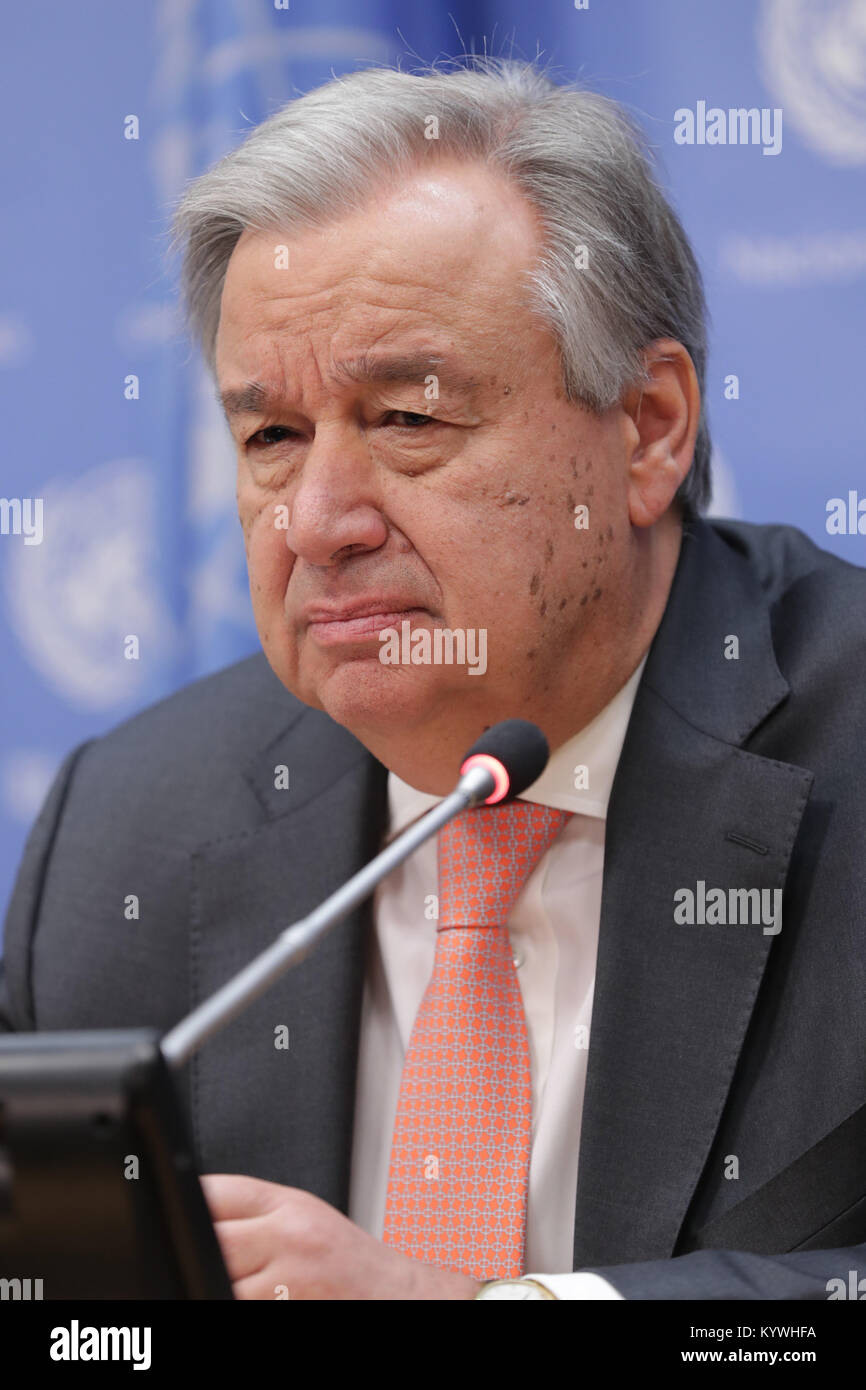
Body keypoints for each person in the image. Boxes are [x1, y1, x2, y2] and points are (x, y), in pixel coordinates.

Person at [2, 59, 865, 1300]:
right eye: (272, 437)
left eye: (408, 418)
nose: (316, 521)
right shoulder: (128, 834)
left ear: (646, 427)